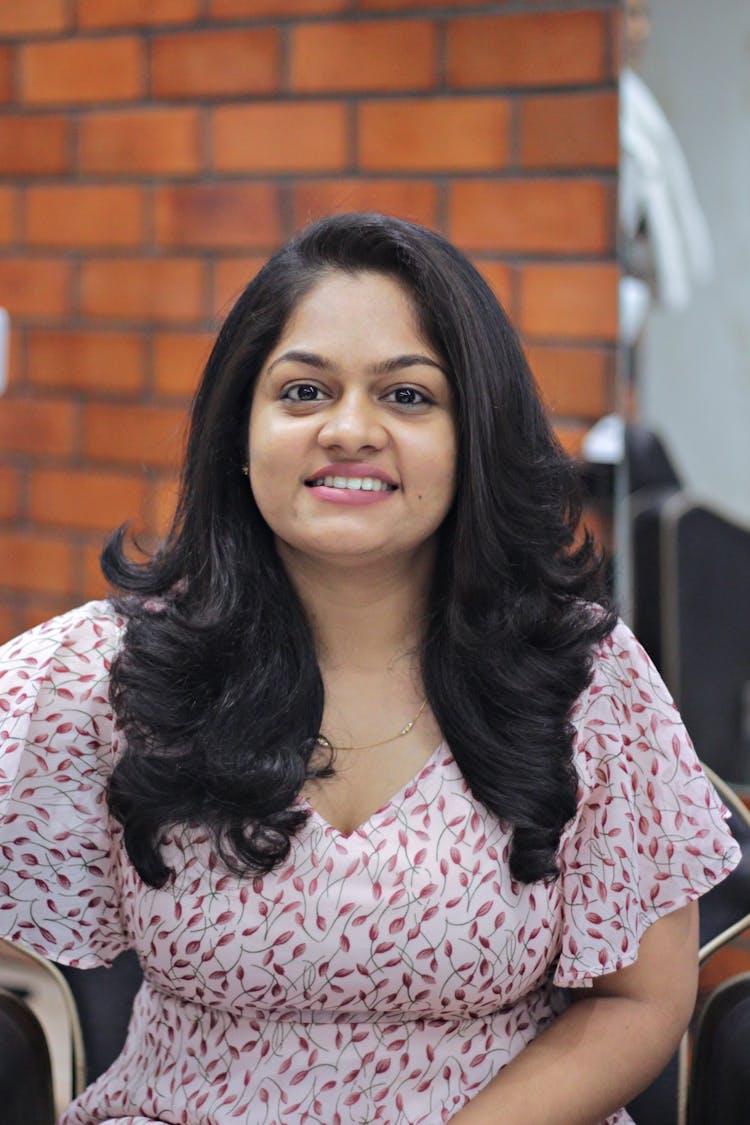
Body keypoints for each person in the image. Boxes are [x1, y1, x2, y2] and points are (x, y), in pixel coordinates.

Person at [0, 213, 740, 1125]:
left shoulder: (585, 674)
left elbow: (644, 999)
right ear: (242, 431)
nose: (350, 429)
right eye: (304, 391)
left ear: (476, 437)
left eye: (409, 397)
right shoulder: (106, 671)